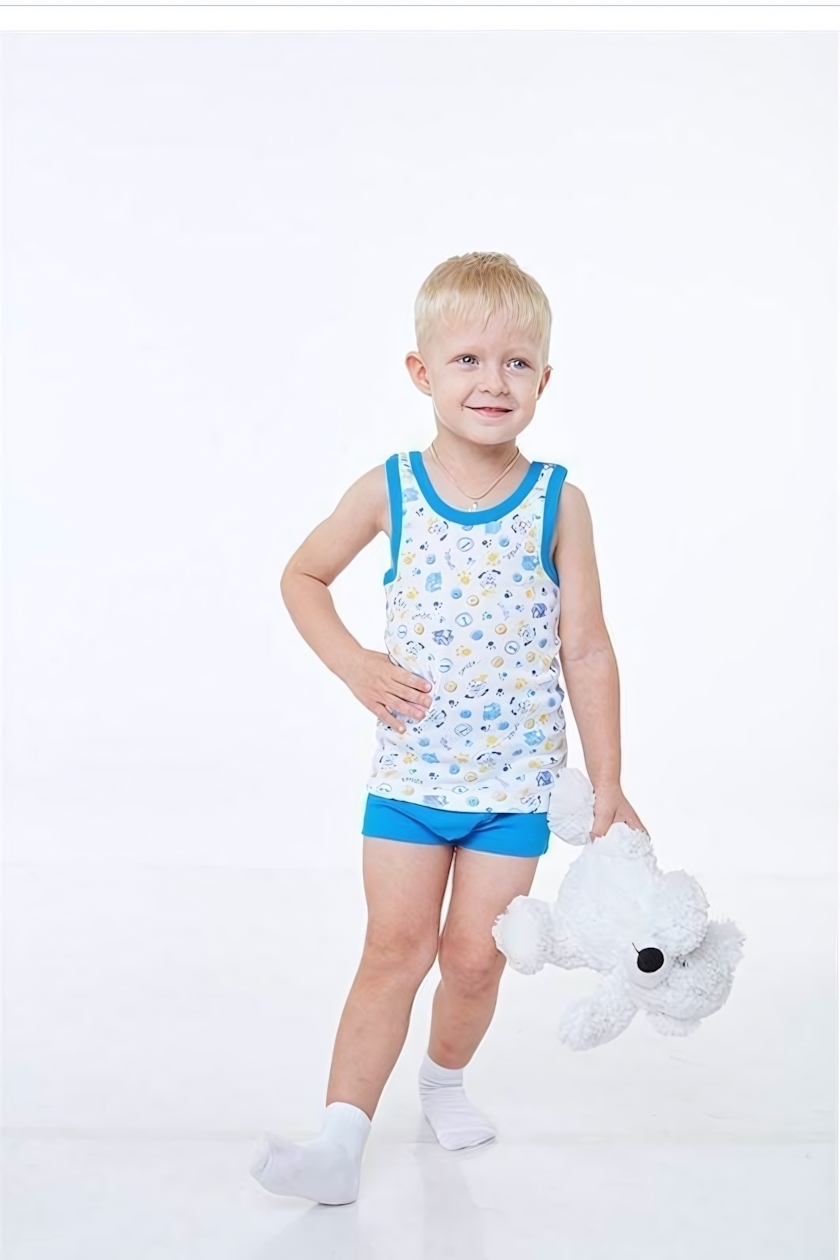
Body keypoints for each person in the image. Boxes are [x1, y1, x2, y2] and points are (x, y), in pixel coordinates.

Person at [249, 251, 647, 1205]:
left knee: (474, 960)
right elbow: (302, 576)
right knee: (394, 950)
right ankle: (339, 1142)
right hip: (410, 782)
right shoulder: (389, 487)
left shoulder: (559, 502)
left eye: (517, 363)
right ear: (421, 372)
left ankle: (443, 1080)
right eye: (467, 359)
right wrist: (354, 664)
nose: (492, 381)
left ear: (544, 380)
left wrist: (608, 781)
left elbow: (587, 648)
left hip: (514, 789)